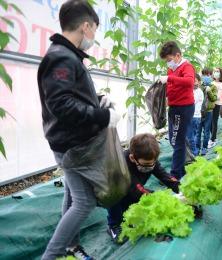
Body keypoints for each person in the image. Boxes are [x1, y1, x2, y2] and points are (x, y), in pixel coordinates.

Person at [37, 1, 120, 259]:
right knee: (83, 202)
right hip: (73, 144)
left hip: (69, 141)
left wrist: (98, 100)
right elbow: (61, 104)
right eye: (95, 28)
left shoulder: (67, 55)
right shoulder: (61, 57)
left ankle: (71, 246)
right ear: (86, 26)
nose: (94, 35)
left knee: (73, 195)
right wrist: (103, 115)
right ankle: (52, 254)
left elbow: (70, 94)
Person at [106, 133, 180, 243]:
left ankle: (126, 215)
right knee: (116, 198)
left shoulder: (149, 159)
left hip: (132, 188)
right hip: (110, 190)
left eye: (152, 163)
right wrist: (160, 198)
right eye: (146, 164)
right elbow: (136, 189)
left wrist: (179, 187)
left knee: (132, 206)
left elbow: (164, 175)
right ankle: (114, 226)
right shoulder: (121, 164)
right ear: (132, 158)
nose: (150, 166)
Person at [159, 41, 195, 180]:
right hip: (174, 107)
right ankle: (184, 167)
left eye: (169, 60)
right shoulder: (172, 69)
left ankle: (175, 174)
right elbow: (172, 86)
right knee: (175, 140)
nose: (168, 63)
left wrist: (169, 78)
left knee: (177, 140)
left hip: (183, 108)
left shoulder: (187, 67)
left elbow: (189, 82)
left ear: (178, 55)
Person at [196, 69, 218, 156]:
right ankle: (197, 148)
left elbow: (214, 99)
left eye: (208, 75)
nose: (206, 76)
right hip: (199, 111)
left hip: (209, 111)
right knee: (198, 131)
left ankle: (204, 148)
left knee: (206, 131)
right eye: (204, 74)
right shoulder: (199, 86)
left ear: (211, 76)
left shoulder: (213, 87)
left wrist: (209, 92)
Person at [186, 74, 204, 155]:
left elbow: (192, 101)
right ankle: (192, 153)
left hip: (195, 117)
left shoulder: (198, 92)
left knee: (191, 137)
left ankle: (194, 154)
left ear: (199, 82)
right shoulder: (193, 91)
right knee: (191, 136)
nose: (193, 82)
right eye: (192, 80)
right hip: (191, 116)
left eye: (195, 81)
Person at [208, 67, 222, 149]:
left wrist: (212, 96)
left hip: (217, 104)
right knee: (210, 121)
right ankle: (213, 136)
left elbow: (218, 96)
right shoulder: (211, 82)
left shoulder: (221, 85)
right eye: (214, 71)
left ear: (221, 74)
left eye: (217, 71)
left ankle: (213, 139)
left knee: (214, 121)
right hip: (210, 104)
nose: (215, 73)